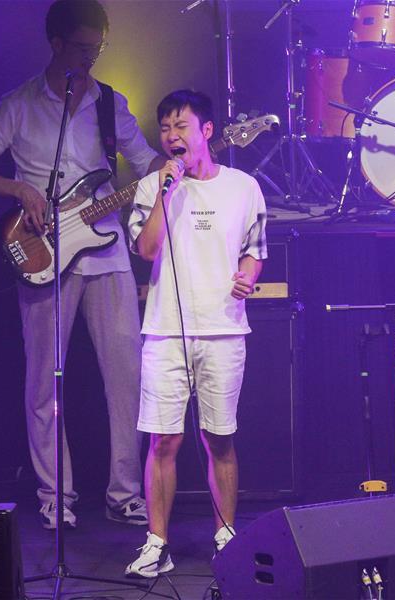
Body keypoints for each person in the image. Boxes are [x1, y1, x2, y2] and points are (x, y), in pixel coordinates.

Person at [0, 0, 164, 529]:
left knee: (128, 378)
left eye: (98, 48)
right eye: (83, 48)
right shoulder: (19, 105)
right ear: (56, 44)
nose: (91, 58)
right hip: (43, 253)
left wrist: (185, 162)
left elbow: (146, 165)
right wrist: (19, 189)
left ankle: (125, 493)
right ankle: (55, 496)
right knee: (44, 383)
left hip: (108, 252)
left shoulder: (110, 104)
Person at [124, 90, 267, 578]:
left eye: (180, 126)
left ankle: (226, 537)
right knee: (162, 441)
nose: (171, 136)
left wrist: (248, 274)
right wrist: (167, 191)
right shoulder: (152, 187)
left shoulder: (244, 187)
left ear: (206, 131)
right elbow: (146, 250)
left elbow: (255, 248)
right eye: (165, 128)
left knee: (219, 438)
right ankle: (156, 542)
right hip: (164, 332)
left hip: (224, 330)